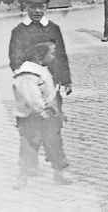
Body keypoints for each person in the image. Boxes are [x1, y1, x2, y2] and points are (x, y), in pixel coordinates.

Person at [12, 41, 73, 188]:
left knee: (54, 143)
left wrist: (56, 112)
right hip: (31, 116)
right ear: (40, 56)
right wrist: (43, 111)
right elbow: (31, 97)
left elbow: (49, 93)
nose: (53, 57)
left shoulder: (40, 69)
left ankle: (60, 172)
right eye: (51, 54)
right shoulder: (27, 74)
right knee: (29, 145)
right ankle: (23, 175)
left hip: (47, 113)